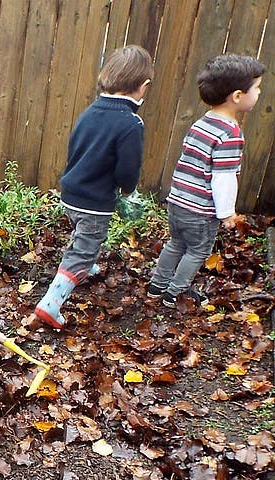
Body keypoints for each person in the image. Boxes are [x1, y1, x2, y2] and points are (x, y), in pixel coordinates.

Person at [32, 45, 154, 329]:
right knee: (84, 247)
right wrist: (127, 189)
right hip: (94, 200)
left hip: (72, 190)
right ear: (143, 87)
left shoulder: (91, 111)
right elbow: (127, 171)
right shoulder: (130, 123)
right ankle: (51, 303)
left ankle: (84, 264)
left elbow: (77, 147)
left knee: (82, 233)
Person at [147, 54, 265, 308]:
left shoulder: (202, 123)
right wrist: (226, 213)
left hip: (178, 202)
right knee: (197, 251)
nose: (259, 92)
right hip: (200, 210)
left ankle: (157, 285)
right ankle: (175, 293)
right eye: (256, 88)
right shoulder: (230, 134)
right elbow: (223, 179)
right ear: (237, 96)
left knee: (176, 243)